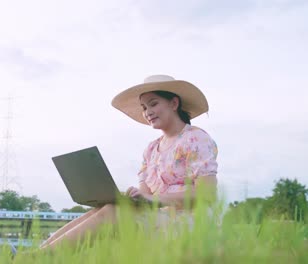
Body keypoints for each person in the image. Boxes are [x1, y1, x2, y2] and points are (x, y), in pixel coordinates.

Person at [40, 74, 218, 250]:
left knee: (111, 213)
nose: (147, 112)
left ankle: (38, 259)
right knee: (105, 208)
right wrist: (135, 199)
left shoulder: (195, 138)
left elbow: (206, 194)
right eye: (144, 107)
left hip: (189, 220)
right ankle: (34, 255)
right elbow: (145, 194)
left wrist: (154, 199)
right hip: (157, 217)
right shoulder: (151, 149)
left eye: (153, 104)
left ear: (174, 103)